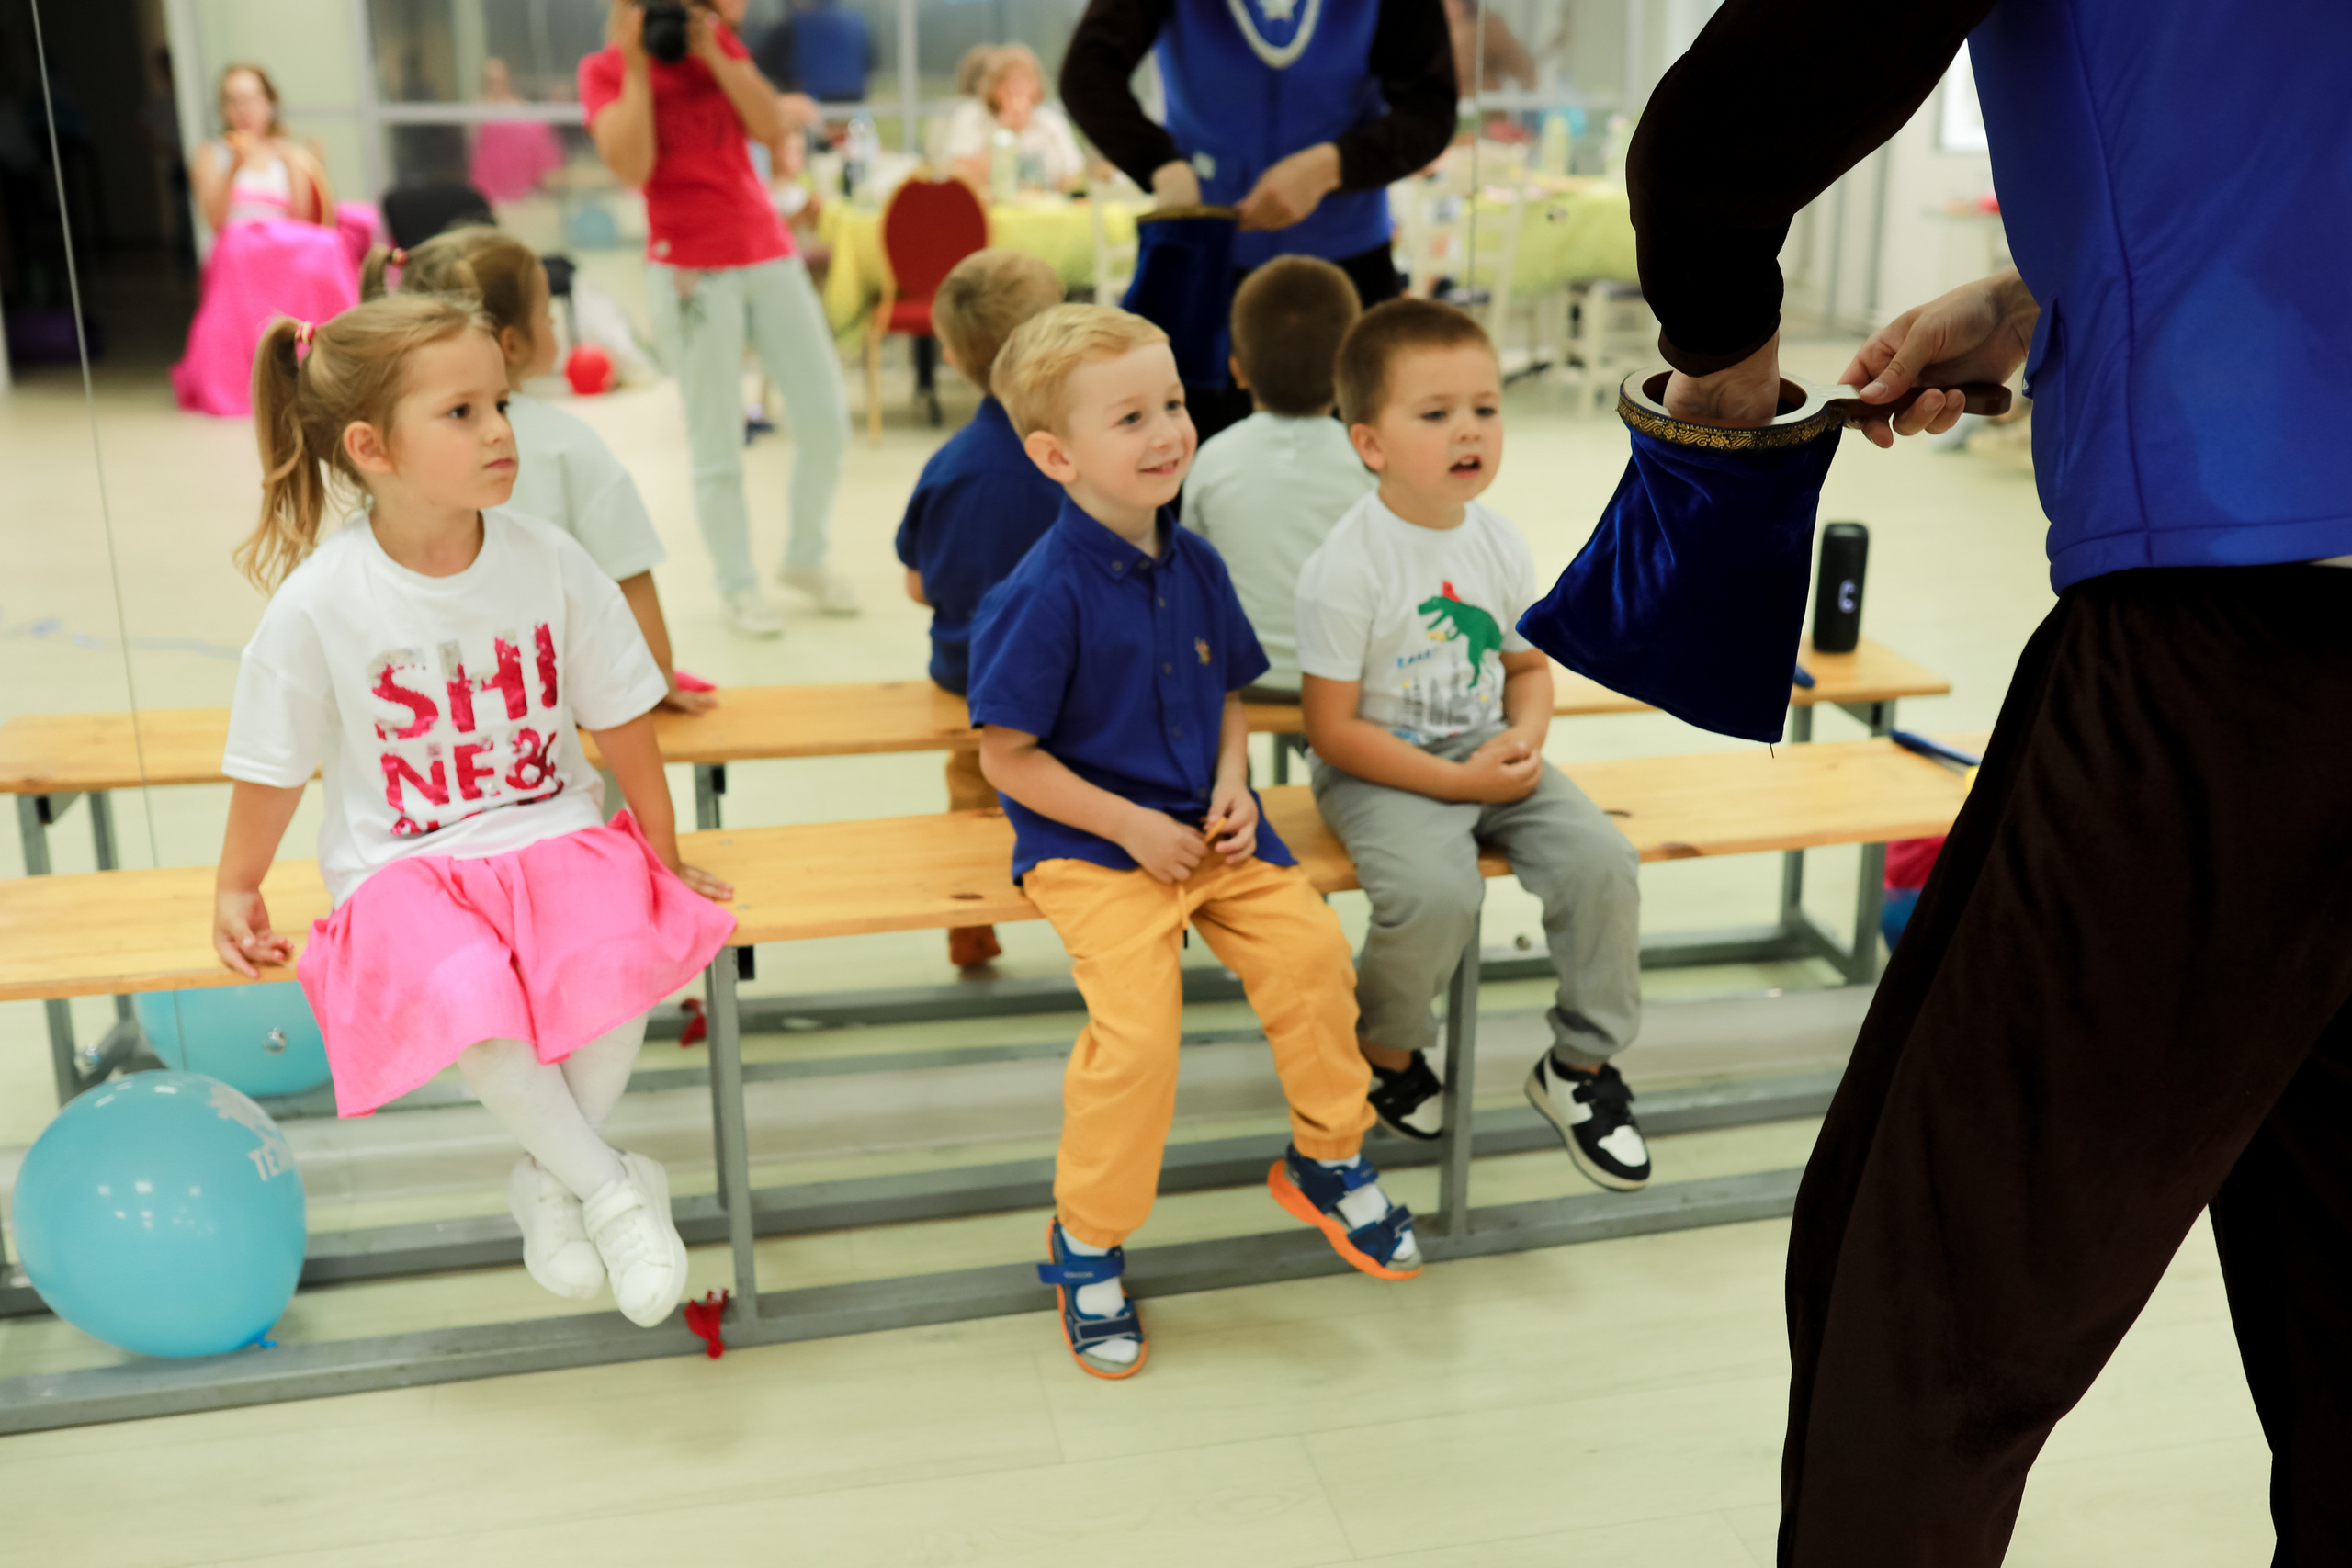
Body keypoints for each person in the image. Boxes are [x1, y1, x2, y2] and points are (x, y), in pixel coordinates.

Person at [1631, 2, 2352, 1562]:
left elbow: (1720, 140)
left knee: (1922, 1303)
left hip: (2247, 623)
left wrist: (1723, 360)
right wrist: (2053, 302)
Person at [211, 296, 736, 1328]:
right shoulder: (320, 601)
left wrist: (659, 848)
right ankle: (614, 1190)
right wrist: (236, 882)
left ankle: (555, 1178)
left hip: (550, 835)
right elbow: (271, 763)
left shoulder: (547, 558)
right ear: (372, 449)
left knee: (621, 964)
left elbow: (622, 713)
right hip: (405, 869)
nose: (501, 430)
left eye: (500, 401)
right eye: (462, 413)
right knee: (469, 1001)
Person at [967, 304, 1419, 1379]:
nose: (1169, 430)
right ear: (1055, 455)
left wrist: (1231, 785)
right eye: (1132, 417)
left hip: (1216, 834)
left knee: (1313, 962)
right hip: (1093, 845)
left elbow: (1229, 695)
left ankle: (1326, 1158)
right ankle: (1085, 1241)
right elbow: (1008, 758)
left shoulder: (1200, 562)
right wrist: (1129, 825)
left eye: (1172, 403)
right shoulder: (1038, 595)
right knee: (1139, 1037)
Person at [1296, 299, 1646, 1180]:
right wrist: (1458, 787)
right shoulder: (1347, 564)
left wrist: (1524, 744)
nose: (1470, 431)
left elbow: (1526, 670)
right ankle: (1389, 1052)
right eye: (1437, 413)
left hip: (1490, 749)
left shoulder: (1497, 541)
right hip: (1379, 768)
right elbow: (1332, 730)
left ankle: (1579, 1066)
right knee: (1435, 891)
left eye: (1485, 409)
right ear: (1370, 443)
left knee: (1601, 861)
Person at [582, 0, 856, 638]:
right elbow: (633, 166)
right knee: (716, 442)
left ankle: (805, 556)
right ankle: (738, 586)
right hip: (688, 267)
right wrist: (636, 65)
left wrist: (714, 52)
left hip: (767, 251)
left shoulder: (717, 46)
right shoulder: (604, 70)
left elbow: (768, 127)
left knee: (824, 419)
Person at [362, 227, 713, 717]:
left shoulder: (396, 449)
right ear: (511, 343)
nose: (553, 326)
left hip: (443, 708)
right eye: (547, 316)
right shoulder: (569, 442)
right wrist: (658, 673)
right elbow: (626, 570)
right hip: (566, 713)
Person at [895, 249, 1068, 971]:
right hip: (1074, 680)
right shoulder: (1083, 456)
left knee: (973, 797)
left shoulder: (951, 465)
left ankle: (970, 915)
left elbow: (917, 584)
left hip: (972, 680)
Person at [1059, 0, 1457, 309]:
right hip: (1204, 251)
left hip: (1348, 258)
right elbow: (1087, 74)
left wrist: (1333, 165)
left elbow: (1430, 107)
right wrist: (1160, 164)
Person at [1182, 254, 1372, 699]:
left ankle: (1232, 769)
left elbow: (1191, 570)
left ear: (1237, 369)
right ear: (1350, 372)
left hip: (1239, 674)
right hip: (1347, 676)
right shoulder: (1369, 460)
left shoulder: (1212, 458)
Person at [173, 64, 356, 419]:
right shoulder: (212, 154)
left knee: (326, 246)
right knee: (236, 249)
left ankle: (329, 360)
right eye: (233, 100)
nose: (243, 108)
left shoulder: (290, 154)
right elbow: (215, 221)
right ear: (224, 109)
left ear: (269, 102)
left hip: (285, 245)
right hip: (239, 247)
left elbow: (304, 221)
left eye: (251, 98)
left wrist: (306, 167)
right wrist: (235, 168)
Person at [944, 45, 1088, 194]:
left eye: (1025, 80)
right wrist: (1004, 131)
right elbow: (960, 176)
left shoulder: (1050, 123)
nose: (1017, 88)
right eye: (1007, 81)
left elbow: (1074, 173)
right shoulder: (971, 117)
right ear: (993, 88)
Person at [468, 58, 566, 204]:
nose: (496, 83)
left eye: (500, 79)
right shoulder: (477, 107)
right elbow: (474, 144)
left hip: (521, 182)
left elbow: (536, 135)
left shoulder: (519, 105)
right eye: (491, 80)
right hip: (491, 176)